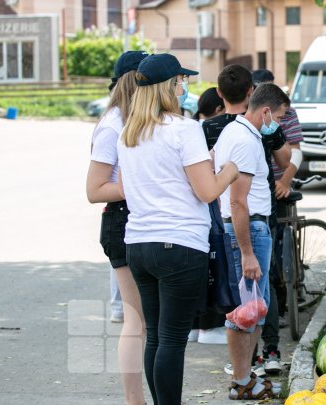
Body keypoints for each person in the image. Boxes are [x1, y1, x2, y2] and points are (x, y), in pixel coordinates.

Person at [117, 53, 239, 404]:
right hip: (180, 245)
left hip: (139, 244)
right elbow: (207, 191)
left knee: (156, 335)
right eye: (181, 81)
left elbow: (128, 188)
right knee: (172, 338)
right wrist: (229, 169)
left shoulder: (129, 132)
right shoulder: (185, 129)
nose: (185, 87)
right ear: (169, 86)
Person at [213, 83, 291, 400]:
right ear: (266, 111)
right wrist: (247, 253)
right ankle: (242, 379)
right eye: (280, 117)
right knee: (245, 311)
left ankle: (246, 377)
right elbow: (237, 202)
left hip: (249, 229)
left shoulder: (237, 133)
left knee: (256, 309)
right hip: (248, 230)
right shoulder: (245, 141)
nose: (280, 124)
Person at [86, 50, 148, 405]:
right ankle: (133, 400)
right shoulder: (113, 124)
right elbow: (94, 190)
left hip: (142, 219)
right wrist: (140, 183)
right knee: (135, 320)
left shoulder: (135, 119)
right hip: (121, 220)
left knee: (146, 323)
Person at [251, 68, 305, 376]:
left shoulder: (287, 114)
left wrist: (286, 180)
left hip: (275, 188)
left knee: (276, 255)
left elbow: (295, 152)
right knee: (264, 268)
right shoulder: (244, 122)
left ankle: (284, 299)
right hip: (254, 196)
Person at [187, 86, 230, 346]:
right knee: (214, 267)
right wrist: (228, 171)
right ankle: (209, 327)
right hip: (207, 208)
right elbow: (208, 186)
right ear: (217, 109)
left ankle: (194, 326)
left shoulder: (190, 126)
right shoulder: (203, 131)